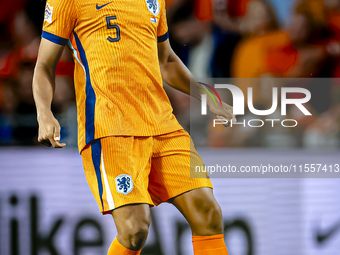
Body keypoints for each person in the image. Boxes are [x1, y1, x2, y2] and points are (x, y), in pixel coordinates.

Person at [32, 0, 234, 254]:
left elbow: (166, 60)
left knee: (208, 212)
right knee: (134, 229)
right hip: (110, 128)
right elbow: (43, 65)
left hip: (162, 124)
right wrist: (44, 112)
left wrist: (205, 94)